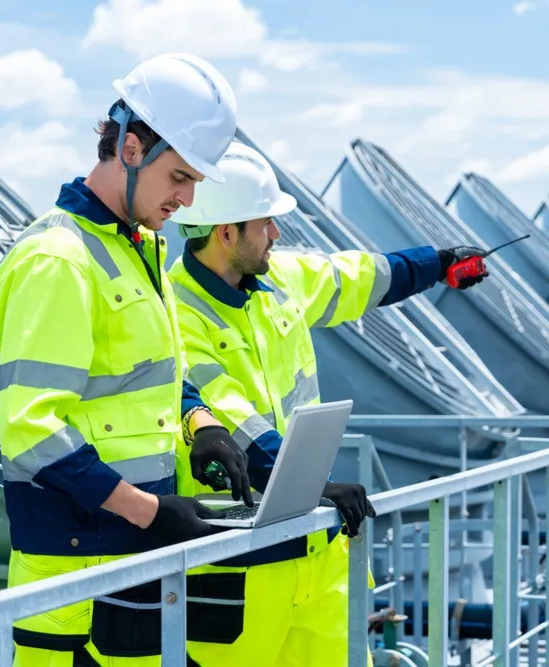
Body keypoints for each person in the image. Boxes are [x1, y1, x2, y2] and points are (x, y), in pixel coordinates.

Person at [165, 140, 490, 667]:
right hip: (241, 562)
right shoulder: (175, 310)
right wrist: (312, 485)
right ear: (227, 232)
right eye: (266, 223)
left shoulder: (279, 281)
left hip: (317, 548)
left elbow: (362, 276)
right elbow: (230, 418)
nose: (277, 234)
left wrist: (440, 262)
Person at [0, 53, 254, 667]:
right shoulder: (57, 258)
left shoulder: (141, 249)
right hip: (70, 582)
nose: (186, 200)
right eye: (179, 178)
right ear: (130, 149)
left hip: (133, 560)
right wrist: (151, 511)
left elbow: (158, 376)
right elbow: (30, 429)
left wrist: (204, 426)